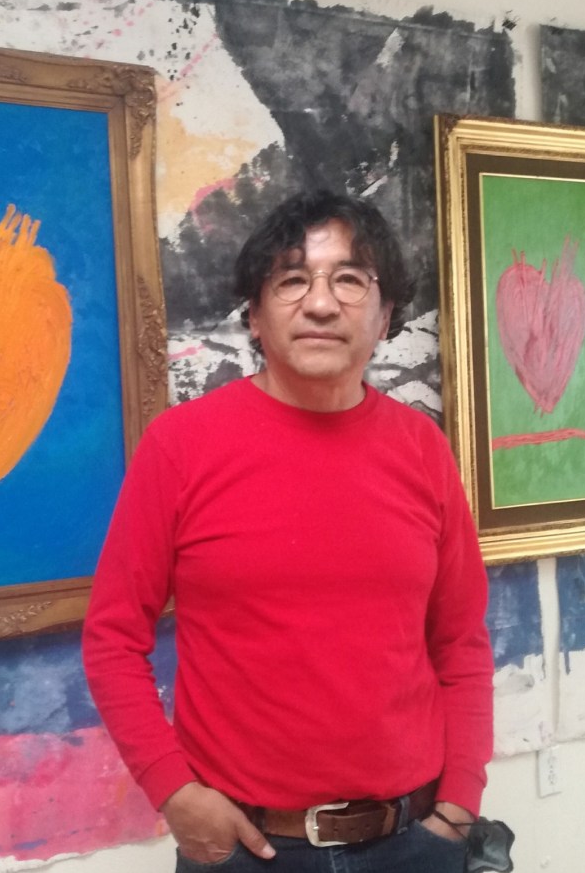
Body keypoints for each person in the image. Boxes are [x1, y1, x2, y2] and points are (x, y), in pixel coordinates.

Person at [82, 190, 493, 872]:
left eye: (350, 280)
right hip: (248, 850)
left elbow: (461, 641)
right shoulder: (181, 446)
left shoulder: (422, 448)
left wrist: (458, 806)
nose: (321, 303)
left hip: (414, 842)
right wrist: (173, 791)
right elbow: (112, 639)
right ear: (255, 313)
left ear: (385, 314)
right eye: (293, 280)